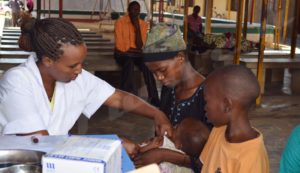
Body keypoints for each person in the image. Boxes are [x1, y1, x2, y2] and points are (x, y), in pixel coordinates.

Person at [0, 17, 172, 137]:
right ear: (48, 61)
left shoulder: (75, 78)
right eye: (72, 65)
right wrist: (108, 144)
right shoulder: (17, 81)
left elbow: (118, 98)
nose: (79, 70)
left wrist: (157, 114)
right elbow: (39, 141)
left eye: (81, 63)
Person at [133, 23, 212, 170]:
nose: (159, 78)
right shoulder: (169, 90)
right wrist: (150, 145)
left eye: (162, 70)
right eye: (154, 73)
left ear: (180, 58)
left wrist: (163, 155)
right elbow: (163, 136)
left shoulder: (210, 96)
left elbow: (214, 157)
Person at [200, 65, 270, 172]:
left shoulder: (251, 156)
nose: (204, 107)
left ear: (227, 105)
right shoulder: (218, 131)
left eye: (206, 101)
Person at [123, 117, 210, 173]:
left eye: (176, 128)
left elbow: (138, 156)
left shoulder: (163, 142)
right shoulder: (190, 161)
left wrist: (147, 147)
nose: (174, 126)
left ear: (179, 145)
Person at [114, 1, 159, 106]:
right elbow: (121, 47)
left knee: (147, 66)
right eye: (134, 9)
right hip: (122, 55)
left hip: (136, 55)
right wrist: (135, 51)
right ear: (129, 10)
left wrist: (137, 29)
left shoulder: (142, 24)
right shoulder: (120, 22)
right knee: (129, 62)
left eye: (138, 10)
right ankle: (124, 97)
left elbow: (140, 46)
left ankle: (154, 97)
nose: (136, 12)